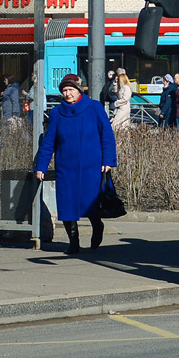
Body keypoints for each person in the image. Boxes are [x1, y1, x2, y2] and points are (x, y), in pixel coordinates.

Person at [34, 74, 117, 255]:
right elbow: (49, 142)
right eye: (64, 90)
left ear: (79, 90)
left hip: (92, 166)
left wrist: (108, 160)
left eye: (70, 90)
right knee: (67, 205)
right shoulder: (56, 113)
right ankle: (73, 242)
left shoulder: (94, 107)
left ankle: (97, 226)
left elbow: (107, 135)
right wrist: (41, 166)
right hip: (66, 168)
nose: (67, 94)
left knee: (91, 203)